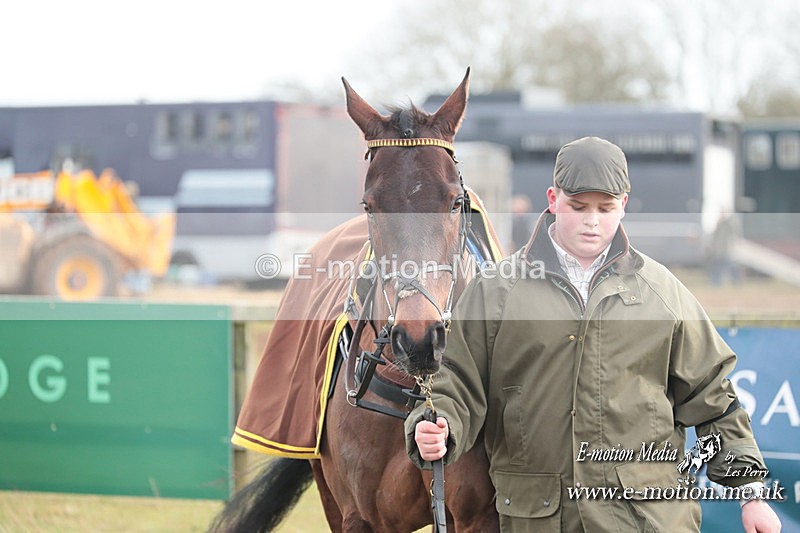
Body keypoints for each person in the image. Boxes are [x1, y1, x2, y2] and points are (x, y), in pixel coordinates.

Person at [406, 137, 781, 532]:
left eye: (605, 208)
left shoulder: (663, 294)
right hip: (539, 521)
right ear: (553, 199)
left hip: (647, 520)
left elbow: (715, 398)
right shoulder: (495, 292)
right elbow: (455, 384)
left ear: (624, 205)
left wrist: (751, 495)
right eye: (578, 206)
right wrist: (438, 427)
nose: (592, 220)